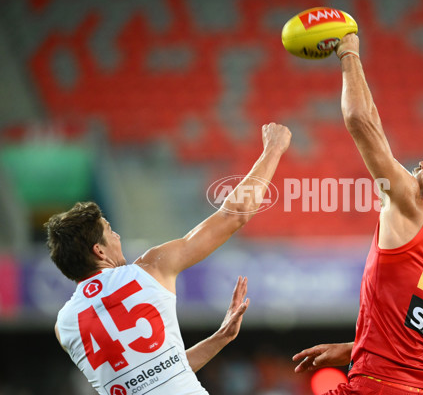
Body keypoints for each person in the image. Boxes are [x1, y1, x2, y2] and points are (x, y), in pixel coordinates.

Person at [293, 34, 423, 395]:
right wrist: (355, 349)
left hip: (378, 386)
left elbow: (360, 121)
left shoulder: (410, 203)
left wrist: (348, 52)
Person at [46, 122, 291, 395]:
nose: (117, 238)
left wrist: (219, 339)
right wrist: (273, 149)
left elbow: (152, 378)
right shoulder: (150, 268)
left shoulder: (64, 326)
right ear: (99, 251)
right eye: (110, 231)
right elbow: (235, 214)